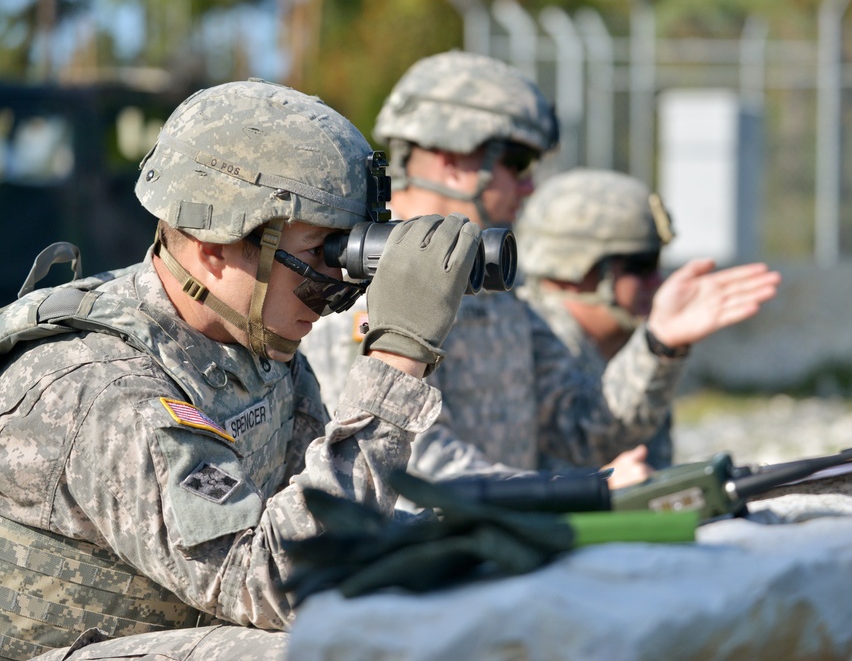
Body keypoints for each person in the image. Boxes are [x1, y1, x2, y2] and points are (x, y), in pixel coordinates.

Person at [0, 79, 482, 660]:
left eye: (348, 252)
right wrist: (397, 359)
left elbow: (318, 523)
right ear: (213, 246)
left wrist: (477, 532)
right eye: (318, 256)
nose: (338, 287)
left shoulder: (249, 342)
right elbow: (282, 585)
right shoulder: (106, 388)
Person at [300, 51, 781, 489]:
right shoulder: (371, 285)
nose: (529, 188)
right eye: (517, 162)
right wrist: (567, 492)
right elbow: (402, 466)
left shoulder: (489, 279)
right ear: (450, 159)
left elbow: (581, 427)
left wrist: (660, 343)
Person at [516, 167, 780, 465]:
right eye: (640, 265)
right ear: (574, 267)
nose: (656, 281)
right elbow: (586, 436)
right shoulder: (524, 338)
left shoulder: (629, 344)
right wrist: (659, 344)